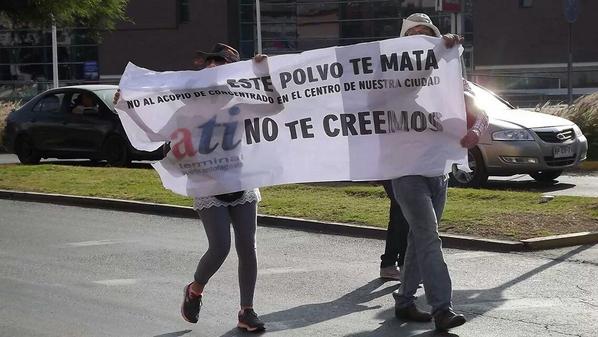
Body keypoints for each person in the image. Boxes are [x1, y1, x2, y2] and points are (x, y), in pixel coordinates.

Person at [114, 43, 268, 332]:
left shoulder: (238, 102)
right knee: (220, 246)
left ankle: (247, 311)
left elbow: (275, 105)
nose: (213, 67)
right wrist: (126, 107)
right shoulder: (188, 109)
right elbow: (155, 134)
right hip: (206, 184)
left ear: (231, 70)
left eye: (220, 63)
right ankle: (195, 289)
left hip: (241, 181)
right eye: (210, 62)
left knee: (248, 247)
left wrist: (263, 73)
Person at [390, 13, 488, 332]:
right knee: (429, 234)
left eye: (427, 34)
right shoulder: (390, 78)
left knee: (421, 239)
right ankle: (441, 308)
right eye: (414, 34)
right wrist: (437, 56)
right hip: (406, 171)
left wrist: (476, 131)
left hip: (438, 171)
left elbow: (480, 111)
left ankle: (404, 301)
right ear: (403, 43)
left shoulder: (449, 79)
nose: (421, 38)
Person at [378, 180, 409, 281]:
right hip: (395, 173)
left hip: (396, 173)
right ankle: (405, 267)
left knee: (399, 214)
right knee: (403, 213)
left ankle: (389, 264)